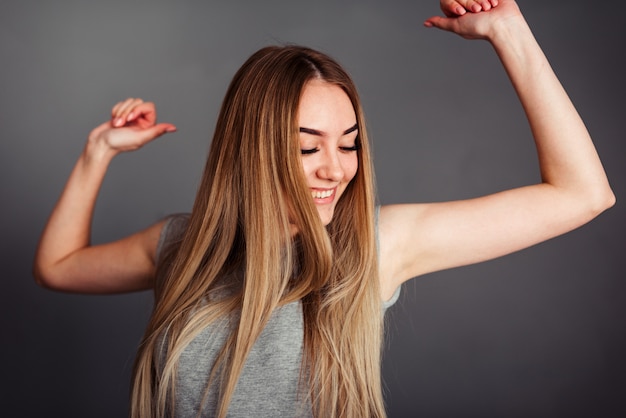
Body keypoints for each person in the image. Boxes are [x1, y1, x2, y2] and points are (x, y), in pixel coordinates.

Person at [33, 0, 615, 417]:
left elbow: (583, 194)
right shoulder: (180, 245)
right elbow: (58, 266)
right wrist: (99, 150)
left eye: (349, 142)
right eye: (308, 146)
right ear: (252, 148)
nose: (335, 168)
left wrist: (510, 33)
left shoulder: (376, 248)